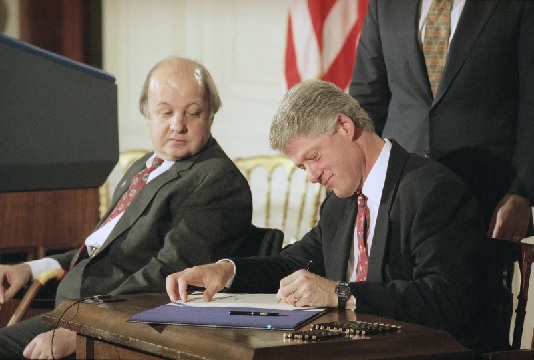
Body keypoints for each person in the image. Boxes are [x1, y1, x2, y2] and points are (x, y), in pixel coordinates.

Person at [166, 79, 488, 353]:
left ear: (344, 126)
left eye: (314, 157)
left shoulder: (431, 190)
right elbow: (293, 263)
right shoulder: (340, 202)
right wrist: (226, 270)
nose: (312, 176)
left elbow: (448, 299)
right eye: (303, 167)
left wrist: (340, 293)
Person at [0, 56, 252, 359]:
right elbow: (101, 252)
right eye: (166, 112)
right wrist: (30, 269)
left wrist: (84, 331)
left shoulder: (215, 179)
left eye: (193, 113)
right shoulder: (144, 166)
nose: (178, 125)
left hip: (117, 332)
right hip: (73, 313)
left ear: (210, 116)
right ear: (146, 114)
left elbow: (168, 278)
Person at [348, 0, 534, 349]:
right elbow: (366, 101)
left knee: (472, 324)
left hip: (484, 199)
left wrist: (523, 190)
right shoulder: (386, 6)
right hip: (397, 196)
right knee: (391, 316)